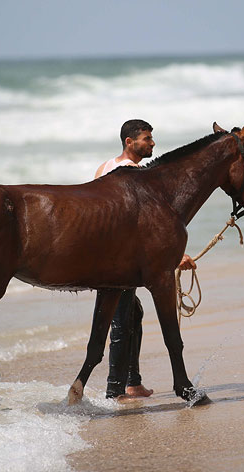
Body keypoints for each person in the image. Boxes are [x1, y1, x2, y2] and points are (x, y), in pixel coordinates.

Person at [94, 119, 196, 400]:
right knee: (120, 321)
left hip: (114, 256)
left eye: (152, 138)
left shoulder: (104, 168)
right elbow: (146, 231)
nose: (152, 143)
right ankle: (115, 390)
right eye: (147, 139)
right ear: (130, 142)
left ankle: (132, 381)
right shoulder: (135, 175)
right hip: (122, 262)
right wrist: (175, 257)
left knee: (132, 313)